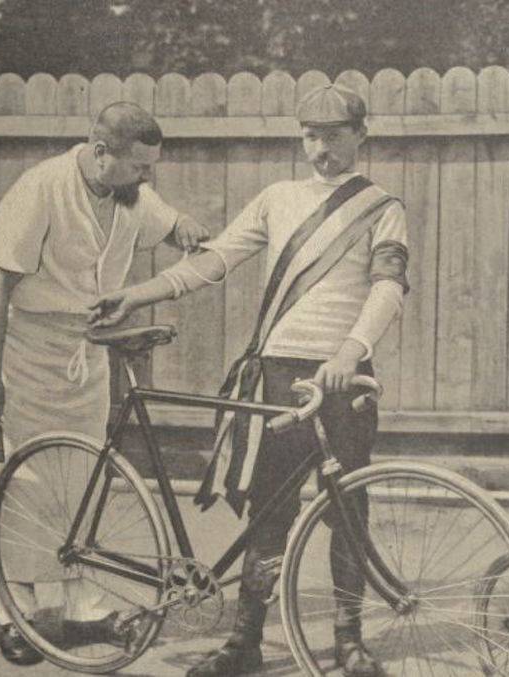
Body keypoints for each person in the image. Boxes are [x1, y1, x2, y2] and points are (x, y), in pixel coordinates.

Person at [90, 83, 409, 677]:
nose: (322, 148)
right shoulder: (278, 197)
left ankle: (349, 639)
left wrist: (351, 349)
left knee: (350, 508)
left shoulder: (382, 205)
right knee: (270, 510)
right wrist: (138, 294)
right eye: (311, 136)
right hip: (279, 372)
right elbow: (214, 260)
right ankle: (244, 643)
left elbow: (389, 286)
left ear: (361, 135)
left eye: (335, 135)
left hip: (344, 376)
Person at [0, 101, 209, 666]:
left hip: (85, 353)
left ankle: (86, 605)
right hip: (22, 354)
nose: (147, 177)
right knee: (14, 482)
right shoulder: (39, 190)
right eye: (139, 166)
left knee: (84, 482)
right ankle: (14, 611)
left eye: (152, 167)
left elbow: (167, 221)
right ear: (101, 154)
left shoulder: (126, 192)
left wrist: (186, 228)